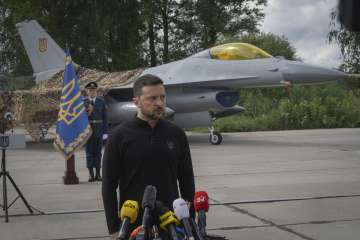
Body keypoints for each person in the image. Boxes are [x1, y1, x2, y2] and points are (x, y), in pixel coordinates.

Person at [102, 74, 195, 239]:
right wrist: (114, 228)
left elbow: (187, 180)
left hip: (171, 223)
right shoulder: (119, 136)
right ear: (136, 101)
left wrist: (190, 222)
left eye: (162, 97)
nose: (159, 103)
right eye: (152, 98)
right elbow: (109, 186)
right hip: (133, 224)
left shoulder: (176, 134)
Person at [84, 81, 107, 182]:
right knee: (89, 153)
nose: (92, 92)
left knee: (98, 153)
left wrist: (105, 132)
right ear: (87, 91)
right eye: (90, 90)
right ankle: (91, 175)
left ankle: (98, 174)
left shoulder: (101, 102)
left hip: (98, 130)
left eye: (93, 90)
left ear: (96, 91)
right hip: (87, 131)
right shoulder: (82, 102)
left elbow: (105, 118)